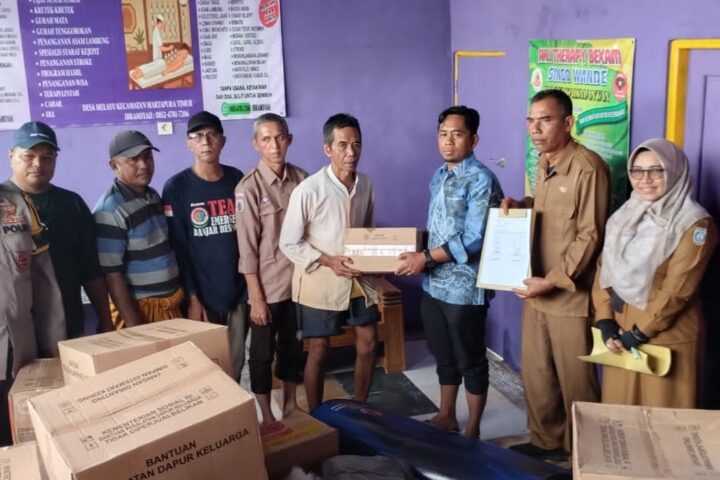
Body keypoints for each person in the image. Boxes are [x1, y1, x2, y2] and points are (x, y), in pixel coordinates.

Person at [501, 89, 610, 459]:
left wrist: (553, 280)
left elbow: (590, 235)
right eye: (531, 120)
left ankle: (584, 455)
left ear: (567, 122)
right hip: (535, 289)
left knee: (576, 381)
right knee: (538, 375)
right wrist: (520, 205)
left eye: (544, 120)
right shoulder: (544, 161)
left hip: (568, 296)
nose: (535, 129)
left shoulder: (588, 168)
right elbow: (546, 208)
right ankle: (545, 442)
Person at [395, 106, 503, 439]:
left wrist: (424, 257)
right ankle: (446, 416)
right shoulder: (439, 175)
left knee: (470, 358)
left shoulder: (482, 179)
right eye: (443, 134)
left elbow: (474, 238)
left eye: (457, 134)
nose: (448, 141)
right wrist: (414, 250)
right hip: (433, 285)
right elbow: (437, 225)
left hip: (465, 289)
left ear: (474, 139)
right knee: (443, 354)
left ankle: (472, 429)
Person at [592, 138, 717, 408]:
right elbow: (604, 268)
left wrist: (640, 333)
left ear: (674, 171)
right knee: (621, 415)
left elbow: (677, 290)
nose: (645, 179)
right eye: (637, 171)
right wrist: (605, 320)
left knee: (664, 420)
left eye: (656, 170)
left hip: (665, 337)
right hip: (620, 333)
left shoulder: (695, 223)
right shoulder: (624, 216)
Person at [279, 113, 379, 412]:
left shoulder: (366, 184)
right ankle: (317, 414)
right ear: (327, 149)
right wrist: (327, 260)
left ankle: (360, 408)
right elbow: (288, 242)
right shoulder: (309, 189)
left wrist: (377, 258)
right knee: (319, 349)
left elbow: (369, 229)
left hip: (358, 278)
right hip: (319, 279)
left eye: (356, 144)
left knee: (368, 342)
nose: (351, 152)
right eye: (343, 145)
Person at [5, 121, 112, 338]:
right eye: (28, 156)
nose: (38, 164)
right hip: (13, 331)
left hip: (67, 323)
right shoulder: (3, 202)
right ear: (11, 156)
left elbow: (90, 270)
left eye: (47, 157)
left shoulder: (71, 204)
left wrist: (106, 320)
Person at [162, 111, 247, 381]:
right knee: (206, 370)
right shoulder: (176, 187)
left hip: (238, 293)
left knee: (235, 365)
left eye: (212, 135)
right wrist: (193, 297)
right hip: (201, 297)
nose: (206, 142)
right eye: (198, 136)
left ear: (223, 141)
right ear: (189, 144)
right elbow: (179, 247)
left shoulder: (236, 179)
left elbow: (247, 237)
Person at [236, 113, 308, 424]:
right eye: (266, 139)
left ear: (289, 139)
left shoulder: (303, 179)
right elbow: (247, 249)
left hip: (298, 283)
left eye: (279, 138)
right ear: (256, 144)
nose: (274, 145)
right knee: (262, 354)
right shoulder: (248, 187)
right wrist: (256, 298)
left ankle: (291, 405)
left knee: (292, 349)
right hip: (266, 288)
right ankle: (266, 415)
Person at [94, 130, 183, 328]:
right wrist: (135, 327)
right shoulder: (109, 210)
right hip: (140, 311)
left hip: (169, 304)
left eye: (147, 157)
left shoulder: (152, 195)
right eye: (133, 159)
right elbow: (112, 275)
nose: (144, 165)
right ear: (114, 165)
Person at [0, 182, 65, 445]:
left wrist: (54, 340)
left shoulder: (18, 203)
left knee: (24, 443)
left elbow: (44, 280)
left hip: (20, 354)